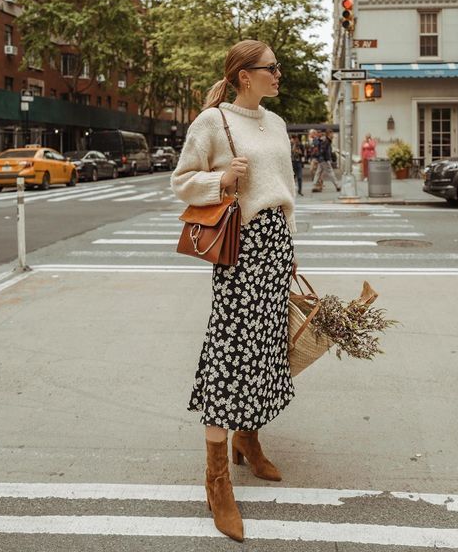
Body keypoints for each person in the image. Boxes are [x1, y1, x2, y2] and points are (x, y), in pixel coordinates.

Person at [171, 40, 297, 543]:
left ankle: (247, 438)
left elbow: (286, 191)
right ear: (245, 75)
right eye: (271, 68)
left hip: (276, 243)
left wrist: (292, 247)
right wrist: (222, 180)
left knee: (266, 349)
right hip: (238, 247)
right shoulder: (211, 122)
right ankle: (217, 478)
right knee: (229, 352)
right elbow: (181, 182)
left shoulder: (277, 123)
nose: (278, 73)